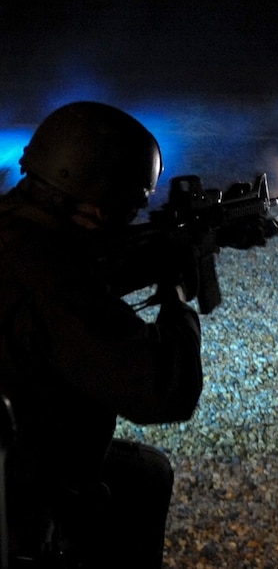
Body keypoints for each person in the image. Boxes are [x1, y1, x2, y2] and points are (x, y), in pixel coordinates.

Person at [0, 101, 203, 568]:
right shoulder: (48, 275)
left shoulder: (15, 226)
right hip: (17, 491)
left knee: (145, 473)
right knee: (141, 480)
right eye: (129, 207)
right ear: (95, 207)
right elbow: (163, 391)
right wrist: (178, 296)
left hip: (12, 445)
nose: (132, 217)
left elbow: (87, 273)